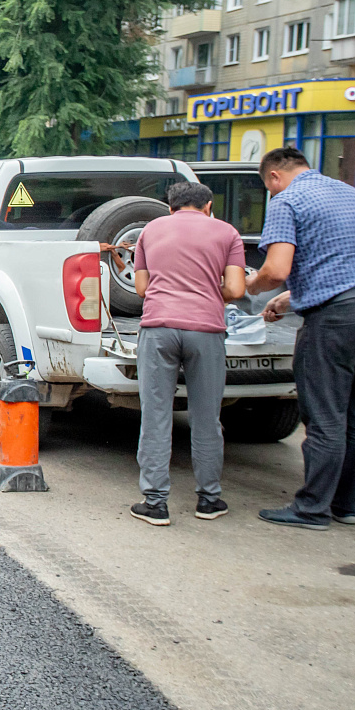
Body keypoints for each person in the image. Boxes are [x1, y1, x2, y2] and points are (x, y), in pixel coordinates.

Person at [246, 146, 355, 530]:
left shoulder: (287, 199)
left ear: (274, 176)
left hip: (336, 320)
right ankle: (346, 506)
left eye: (268, 187)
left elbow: (276, 269)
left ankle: (311, 508)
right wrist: (291, 298)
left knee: (325, 414)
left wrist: (247, 285)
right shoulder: (352, 194)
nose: (271, 193)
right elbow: (343, 262)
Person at [129, 181, 246, 526]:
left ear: (171, 208)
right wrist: (208, 290)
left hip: (159, 328)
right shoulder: (227, 233)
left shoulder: (150, 231)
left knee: (156, 415)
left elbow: (141, 288)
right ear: (209, 205)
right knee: (206, 416)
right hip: (206, 331)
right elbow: (237, 289)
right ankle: (209, 500)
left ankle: (155, 502)